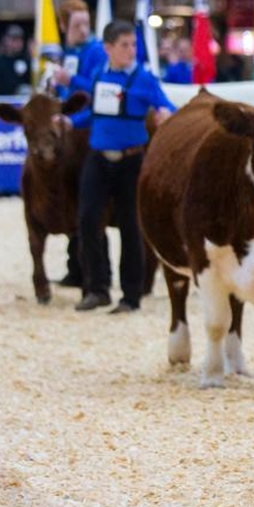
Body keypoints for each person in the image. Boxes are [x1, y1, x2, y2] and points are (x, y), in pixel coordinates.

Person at [65, 20, 175, 313]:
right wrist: (69, 122)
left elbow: (168, 106)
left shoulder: (145, 79)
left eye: (133, 45)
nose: (131, 51)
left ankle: (131, 295)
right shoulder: (100, 74)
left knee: (130, 226)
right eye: (124, 45)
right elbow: (94, 114)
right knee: (87, 220)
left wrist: (167, 113)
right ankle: (97, 288)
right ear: (108, 48)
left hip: (131, 161)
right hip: (98, 158)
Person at [51, 0, 113, 292]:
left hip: (89, 134)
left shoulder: (96, 52)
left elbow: (99, 91)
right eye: (77, 24)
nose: (84, 29)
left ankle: (98, 272)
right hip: (70, 135)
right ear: (64, 26)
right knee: (72, 200)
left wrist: (71, 78)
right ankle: (75, 267)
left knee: (90, 206)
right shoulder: (67, 52)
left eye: (86, 22)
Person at [0, 25, 32, 96]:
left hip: (22, 102)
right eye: (14, 39)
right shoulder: (0, 62)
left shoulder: (27, 61)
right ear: (5, 40)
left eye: (20, 39)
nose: (17, 43)